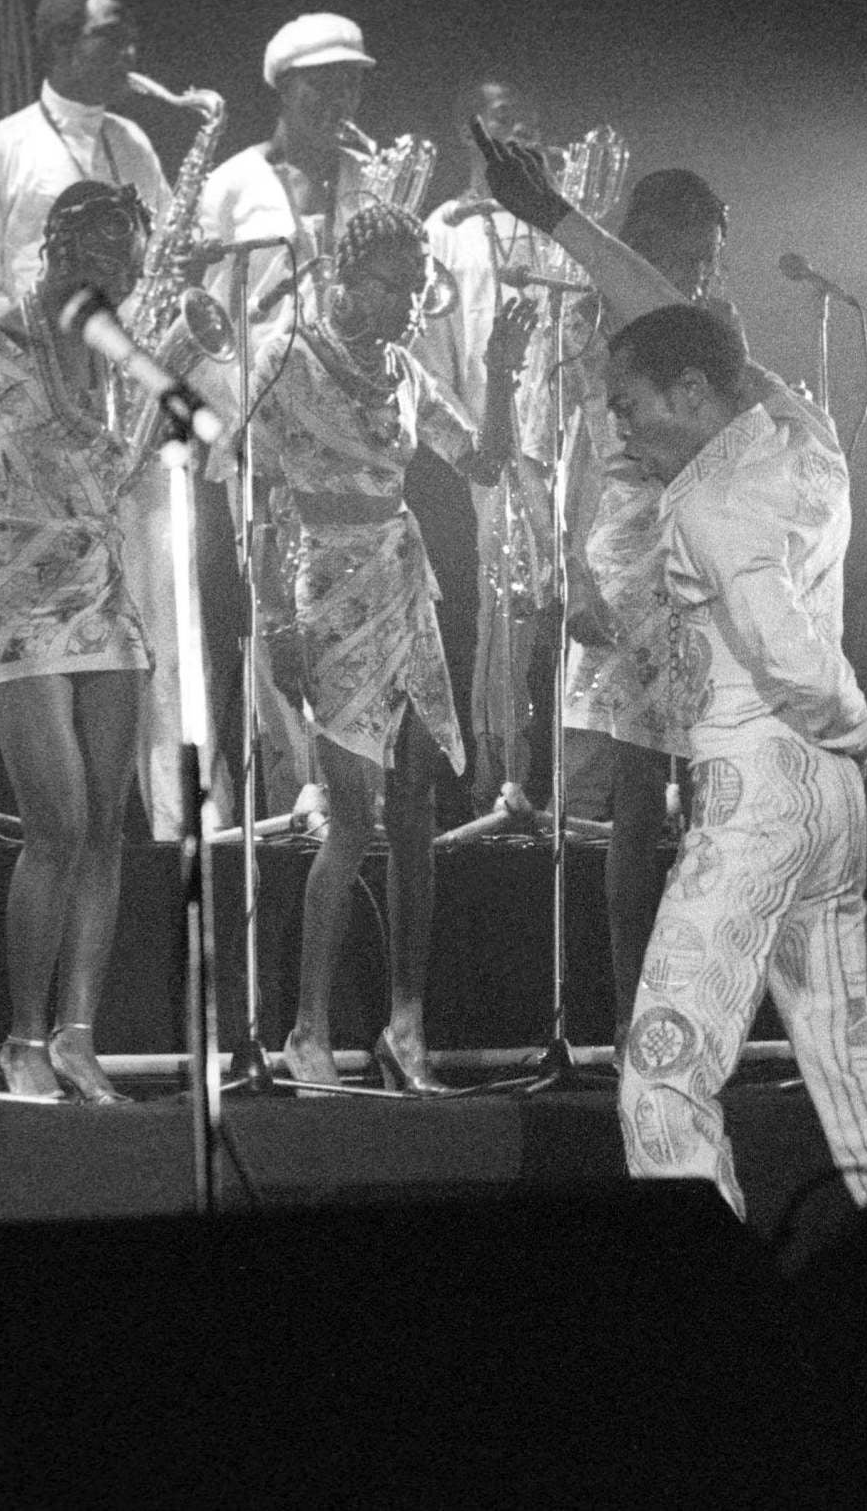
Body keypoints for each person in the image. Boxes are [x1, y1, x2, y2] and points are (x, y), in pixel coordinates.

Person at [476, 127, 867, 1215]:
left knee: (666, 1075)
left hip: (763, 784)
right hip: (821, 791)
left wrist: (839, 713)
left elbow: (782, 648)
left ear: (685, 393)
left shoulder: (718, 501)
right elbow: (656, 363)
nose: (621, 429)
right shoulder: (799, 431)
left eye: (635, 409)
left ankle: (698, 1262)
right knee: (842, 1050)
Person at [231, 202, 522, 1094]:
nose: (406, 302)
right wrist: (274, 619)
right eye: (391, 284)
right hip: (324, 585)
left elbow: (479, 462)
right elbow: (251, 503)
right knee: (352, 816)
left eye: (415, 286)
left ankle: (405, 1024)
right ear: (345, 280)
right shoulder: (286, 361)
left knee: (416, 819)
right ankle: (306, 1026)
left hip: (401, 584)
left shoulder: (401, 369)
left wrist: (502, 374)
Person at [0, 182, 155, 1102]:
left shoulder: (121, 353)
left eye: (129, 259)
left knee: (106, 830)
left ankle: (76, 1036)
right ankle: (20, 1036)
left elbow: (189, 435)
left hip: (104, 584)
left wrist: (199, 352)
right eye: (103, 251)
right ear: (57, 245)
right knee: (57, 820)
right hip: (15, 584)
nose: (118, 273)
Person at [0, 0, 182, 840]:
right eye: (108, 37)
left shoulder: (135, 145)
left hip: (120, 410)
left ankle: (165, 815)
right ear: (55, 45)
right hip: (32, 429)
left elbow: (158, 271)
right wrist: (40, 372)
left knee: (150, 612)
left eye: (128, 36)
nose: (128, 53)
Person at [189, 13, 381, 816]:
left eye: (351, 80)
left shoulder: (369, 179)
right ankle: (272, 794)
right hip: (255, 428)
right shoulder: (231, 183)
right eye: (321, 81)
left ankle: (340, 791)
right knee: (265, 611)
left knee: (342, 606)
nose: (338, 95)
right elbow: (197, 312)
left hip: (349, 432)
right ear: (283, 86)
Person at [558, 169, 732, 1039]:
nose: (698, 272)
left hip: (705, 549)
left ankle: (700, 999)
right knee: (636, 799)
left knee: (711, 792)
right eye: (687, 253)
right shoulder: (595, 324)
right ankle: (634, 1013)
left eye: (709, 259)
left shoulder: (710, 328)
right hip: (632, 549)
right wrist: (571, 575)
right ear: (647, 241)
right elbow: (569, 453)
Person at [416, 79, 562, 807]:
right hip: (495, 449)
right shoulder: (445, 228)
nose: (522, 130)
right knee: (506, 609)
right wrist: (472, 444)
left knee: (580, 602)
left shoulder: (556, 220)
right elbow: (428, 353)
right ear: (465, 131)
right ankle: (499, 778)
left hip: (569, 445)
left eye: (531, 118)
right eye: (505, 117)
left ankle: (582, 783)